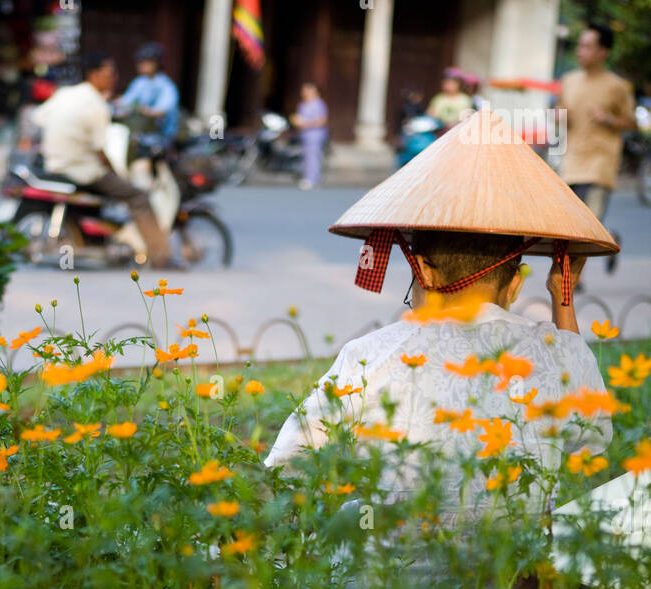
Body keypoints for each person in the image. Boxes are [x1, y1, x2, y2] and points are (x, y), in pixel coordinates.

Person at [264, 110, 616, 528]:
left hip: (388, 586)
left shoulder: (369, 356)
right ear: (516, 285)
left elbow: (288, 468)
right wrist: (563, 299)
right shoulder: (564, 355)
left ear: (425, 272)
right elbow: (590, 441)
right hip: (511, 577)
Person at [31, 51, 172, 268]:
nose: (113, 78)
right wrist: (117, 173)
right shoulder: (97, 105)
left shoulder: (66, 93)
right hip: (81, 169)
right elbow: (101, 150)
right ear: (93, 75)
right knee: (138, 197)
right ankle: (161, 257)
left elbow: (39, 118)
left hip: (54, 163)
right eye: (109, 73)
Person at [558, 24, 635, 227]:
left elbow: (631, 123)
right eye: (580, 45)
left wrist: (608, 119)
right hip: (570, 165)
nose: (579, 51)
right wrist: (559, 116)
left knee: (587, 231)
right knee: (566, 229)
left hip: (599, 168)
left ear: (603, 52)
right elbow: (558, 112)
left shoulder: (617, 86)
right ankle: (611, 239)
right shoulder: (569, 80)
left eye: (587, 46)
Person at [115, 42, 179, 145]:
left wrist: (142, 110)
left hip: (160, 138)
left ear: (157, 63)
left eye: (145, 62)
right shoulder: (140, 82)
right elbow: (125, 102)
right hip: (140, 136)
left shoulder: (166, 85)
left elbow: (162, 111)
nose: (141, 65)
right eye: (140, 62)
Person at [290, 81, 328, 190]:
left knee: (313, 157)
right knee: (306, 156)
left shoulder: (318, 104)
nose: (304, 92)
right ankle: (307, 176)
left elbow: (322, 120)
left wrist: (306, 123)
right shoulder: (302, 104)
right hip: (305, 134)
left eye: (307, 90)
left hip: (315, 134)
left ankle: (312, 179)